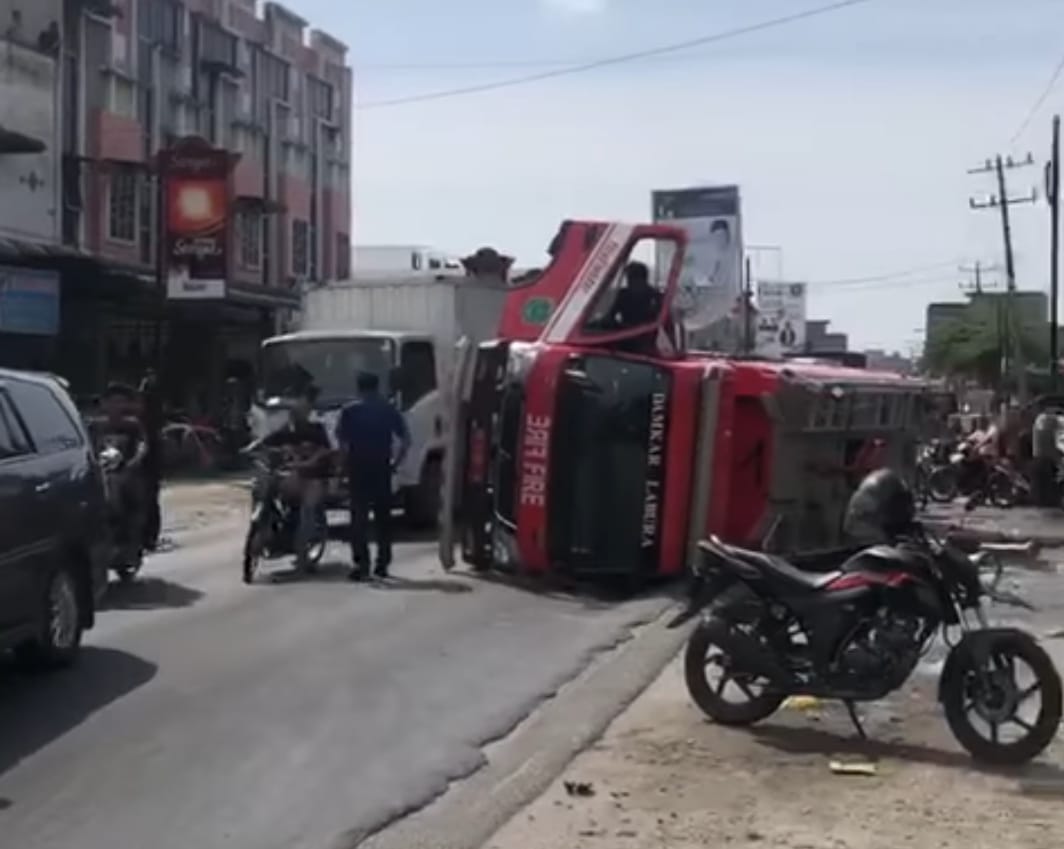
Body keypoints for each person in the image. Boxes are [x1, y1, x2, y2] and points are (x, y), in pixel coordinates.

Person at [335, 372, 411, 580]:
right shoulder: (388, 409)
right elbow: (405, 440)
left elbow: (343, 446)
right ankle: (382, 564)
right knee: (383, 520)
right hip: (381, 469)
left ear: (358, 388)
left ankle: (362, 565)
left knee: (358, 520)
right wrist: (395, 463)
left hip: (358, 469)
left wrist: (340, 471)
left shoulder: (349, 412)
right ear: (377, 387)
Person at [252, 389, 332, 571]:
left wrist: (311, 462)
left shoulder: (317, 430)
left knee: (307, 511)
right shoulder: (285, 431)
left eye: (300, 410)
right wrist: (250, 449)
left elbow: (326, 451)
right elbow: (264, 443)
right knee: (266, 492)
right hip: (291, 479)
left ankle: (302, 552)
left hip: (313, 480)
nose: (296, 415)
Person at [92, 382, 149, 547]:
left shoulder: (132, 425)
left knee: (130, 499)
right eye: (111, 401)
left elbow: (142, 444)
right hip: (101, 472)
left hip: (126, 471)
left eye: (119, 401)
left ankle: (131, 538)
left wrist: (135, 460)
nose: (115, 405)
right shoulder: (96, 426)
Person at [138, 370, 164, 551]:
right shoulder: (136, 416)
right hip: (139, 461)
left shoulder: (150, 417)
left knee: (150, 495)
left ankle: (150, 536)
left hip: (149, 459)